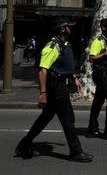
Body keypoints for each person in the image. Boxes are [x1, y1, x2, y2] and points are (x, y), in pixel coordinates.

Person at [15, 19, 93, 162]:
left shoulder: (65, 45)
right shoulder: (52, 47)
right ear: (62, 29)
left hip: (62, 86)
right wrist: (43, 94)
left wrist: (74, 78)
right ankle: (76, 152)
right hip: (56, 88)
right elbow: (42, 71)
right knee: (68, 120)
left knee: (44, 119)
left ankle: (24, 145)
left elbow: (67, 67)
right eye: (69, 26)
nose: (71, 28)